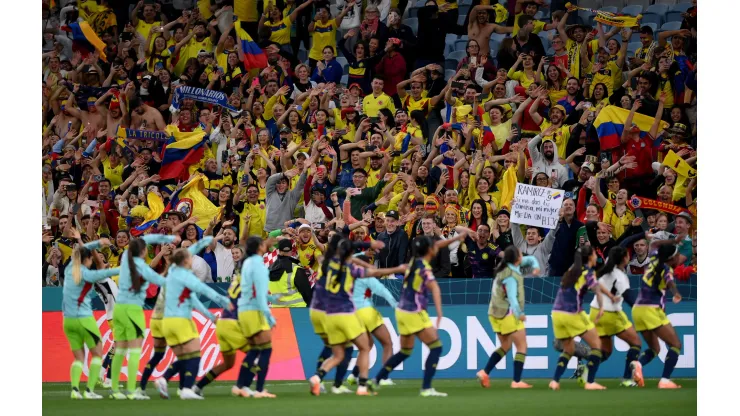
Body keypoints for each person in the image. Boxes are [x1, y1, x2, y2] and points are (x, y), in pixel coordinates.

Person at [372, 233, 471, 397]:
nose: (436, 246)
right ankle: (426, 388)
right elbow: (435, 289)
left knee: (405, 351)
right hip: (413, 312)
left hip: (402, 311)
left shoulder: (414, 261)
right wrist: (439, 314)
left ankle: (375, 380)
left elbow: (438, 245)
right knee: (436, 347)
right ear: (430, 250)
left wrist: (456, 238)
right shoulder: (424, 268)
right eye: (434, 246)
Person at [308, 237, 406, 396]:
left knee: (339, 353)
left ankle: (318, 377)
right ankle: (361, 386)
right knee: (365, 347)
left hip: (329, 315)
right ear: (351, 254)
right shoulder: (351, 270)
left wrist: (364, 246)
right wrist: (398, 269)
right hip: (346, 313)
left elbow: (336, 251)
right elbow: (376, 272)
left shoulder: (329, 264)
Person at [161, 238, 232, 400]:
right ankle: (186, 389)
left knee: (185, 356)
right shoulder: (185, 277)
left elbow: (192, 299)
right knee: (194, 355)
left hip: (167, 321)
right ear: (185, 260)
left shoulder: (171, 273)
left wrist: (211, 316)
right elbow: (203, 291)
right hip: (181, 320)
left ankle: (164, 379)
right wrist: (223, 301)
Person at [109, 234, 179, 400]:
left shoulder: (126, 260)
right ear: (142, 251)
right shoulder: (140, 264)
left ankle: (114, 389)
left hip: (119, 308)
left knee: (120, 349)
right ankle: (132, 390)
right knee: (134, 350)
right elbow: (158, 280)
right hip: (132, 309)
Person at [549, 246, 618, 391]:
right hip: (573, 313)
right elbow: (597, 291)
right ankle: (590, 382)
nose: (596, 257)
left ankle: (555, 381)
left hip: (556, 313)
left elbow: (597, 284)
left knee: (568, 349)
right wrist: (600, 309)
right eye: (594, 254)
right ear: (590, 257)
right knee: (597, 347)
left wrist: (610, 296)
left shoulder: (572, 271)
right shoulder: (588, 272)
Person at [63, 236, 119, 399]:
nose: (101, 260)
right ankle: (99, 382)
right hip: (97, 316)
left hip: (69, 319)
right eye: (95, 258)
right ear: (90, 261)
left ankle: (77, 388)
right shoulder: (96, 276)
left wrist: (84, 243)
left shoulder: (72, 272)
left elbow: (82, 256)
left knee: (80, 357)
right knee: (105, 350)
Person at [476, 245, 540, 389]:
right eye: (520, 254)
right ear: (517, 258)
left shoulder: (504, 268)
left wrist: (535, 267)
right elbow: (512, 297)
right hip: (507, 314)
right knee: (522, 346)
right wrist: (520, 314)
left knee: (505, 346)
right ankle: (516, 381)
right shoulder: (511, 276)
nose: (522, 257)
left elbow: (530, 259)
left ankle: (485, 372)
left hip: (494, 313)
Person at [630, 242, 685, 389]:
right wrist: (676, 294)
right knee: (675, 345)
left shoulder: (654, 258)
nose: (679, 257)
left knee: (655, 348)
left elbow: (653, 243)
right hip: (651, 309)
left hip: (637, 309)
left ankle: (638, 364)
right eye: (677, 254)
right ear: (672, 258)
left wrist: (675, 239)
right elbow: (670, 282)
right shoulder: (666, 269)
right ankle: (665, 380)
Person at [587, 246, 643, 388]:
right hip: (610, 313)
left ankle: (587, 371)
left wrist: (640, 233)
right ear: (625, 258)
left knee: (605, 351)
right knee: (636, 343)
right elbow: (629, 297)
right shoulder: (620, 276)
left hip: (595, 311)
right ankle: (626, 379)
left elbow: (623, 243)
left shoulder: (607, 265)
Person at [232, 236, 280, 398]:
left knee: (254, 350)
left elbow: (252, 289)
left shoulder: (246, 263)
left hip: (244, 310)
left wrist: (271, 298)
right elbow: (259, 295)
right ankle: (259, 389)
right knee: (266, 349)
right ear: (260, 247)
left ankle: (241, 386)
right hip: (254, 311)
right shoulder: (258, 265)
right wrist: (269, 316)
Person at [345, 253, 399, 387]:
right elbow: (382, 290)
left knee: (367, 346)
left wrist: (359, 255)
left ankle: (354, 375)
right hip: (366, 312)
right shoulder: (365, 274)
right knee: (387, 343)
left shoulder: (347, 275)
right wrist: (395, 305)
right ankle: (384, 377)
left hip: (352, 314)